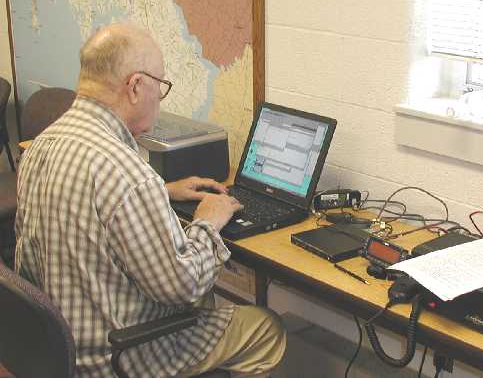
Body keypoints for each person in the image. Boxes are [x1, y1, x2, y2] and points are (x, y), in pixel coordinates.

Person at [15, 23, 286, 377]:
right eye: (161, 87)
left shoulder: (41, 146)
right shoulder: (127, 175)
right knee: (264, 327)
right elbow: (184, 287)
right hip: (116, 358)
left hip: (57, 350)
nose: (159, 99)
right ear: (135, 86)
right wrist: (208, 220)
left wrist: (163, 190)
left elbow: (93, 205)